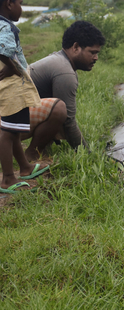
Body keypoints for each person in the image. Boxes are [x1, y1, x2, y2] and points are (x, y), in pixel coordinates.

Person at [27, 21, 105, 155]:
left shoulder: (59, 61)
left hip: (10, 113)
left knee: (55, 108)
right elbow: (68, 121)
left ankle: (43, 149)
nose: (96, 58)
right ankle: (34, 153)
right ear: (75, 47)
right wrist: (87, 154)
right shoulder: (65, 72)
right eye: (92, 52)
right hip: (6, 119)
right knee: (59, 111)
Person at [0, 0, 49, 193]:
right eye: (20, 3)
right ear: (9, 4)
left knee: (14, 130)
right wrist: (12, 67)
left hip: (12, 86)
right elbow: (3, 49)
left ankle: (25, 167)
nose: (21, 7)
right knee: (7, 132)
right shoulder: (5, 25)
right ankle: (8, 178)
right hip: (13, 87)